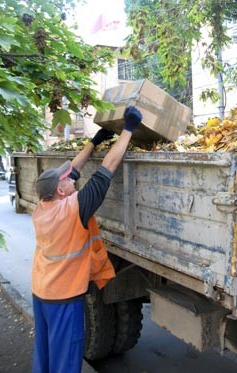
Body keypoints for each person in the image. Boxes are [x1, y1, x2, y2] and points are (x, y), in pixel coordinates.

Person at [31, 106, 143, 373]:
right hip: (64, 300)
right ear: (61, 189)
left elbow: (73, 169)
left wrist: (94, 142)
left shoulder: (44, 207)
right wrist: (128, 129)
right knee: (66, 360)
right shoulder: (74, 209)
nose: (72, 178)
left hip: (42, 293)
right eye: (68, 179)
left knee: (45, 353)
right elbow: (108, 168)